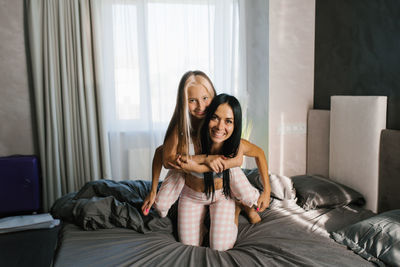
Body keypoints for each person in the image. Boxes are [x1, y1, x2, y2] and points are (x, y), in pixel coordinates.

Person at [141, 71, 270, 223]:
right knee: (161, 205)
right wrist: (153, 190)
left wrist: (267, 191)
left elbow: (250, 154)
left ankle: (239, 204)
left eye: (205, 98)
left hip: (219, 181)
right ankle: (192, 202)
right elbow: (161, 154)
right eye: (192, 100)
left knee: (248, 196)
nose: (200, 106)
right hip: (192, 182)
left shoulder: (217, 128)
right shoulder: (181, 129)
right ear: (183, 101)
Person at [175, 93, 261, 250]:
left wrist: (267, 190)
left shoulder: (236, 146)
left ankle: (237, 208)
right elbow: (171, 157)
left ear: (235, 125)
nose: (220, 127)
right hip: (193, 195)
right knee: (188, 246)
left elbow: (260, 154)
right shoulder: (192, 140)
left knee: (220, 247)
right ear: (207, 117)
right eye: (215, 118)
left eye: (228, 121)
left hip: (222, 195)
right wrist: (206, 158)